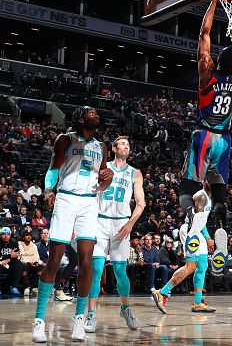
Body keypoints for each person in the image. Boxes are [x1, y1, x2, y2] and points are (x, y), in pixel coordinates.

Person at [32, 106, 113, 343]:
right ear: (80, 119)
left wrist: (107, 180)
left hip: (89, 202)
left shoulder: (102, 147)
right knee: (55, 259)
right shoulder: (65, 139)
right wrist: (49, 190)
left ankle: (80, 318)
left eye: (98, 113)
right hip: (66, 198)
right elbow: (53, 169)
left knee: (87, 261)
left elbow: (104, 181)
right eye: (91, 113)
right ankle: (39, 320)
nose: (96, 115)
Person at [178, 0, 232, 244]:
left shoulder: (207, 72)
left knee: (187, 188)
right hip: (225, 140)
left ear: (218, 61)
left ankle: (192, 217)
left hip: (204, 135)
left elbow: (204, 34)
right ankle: (220, 223)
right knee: (219, 188)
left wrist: (215, 0)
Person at [84, 136, 146, 333]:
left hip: (122, 224)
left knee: (121, 271)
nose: (126, 147)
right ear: (113, 148)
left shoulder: (135, 173)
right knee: (96, 269)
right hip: (101, 220)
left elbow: (141, 204)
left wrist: (130, 224)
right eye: (122, 144)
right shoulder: (103, 167)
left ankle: (126, 309)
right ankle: (91, 314)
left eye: (128, 144)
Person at [153, 185, 226, 313]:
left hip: (199, 232)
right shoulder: (201, 196)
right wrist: (208, 237)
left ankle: (197, 302)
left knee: (202, 266)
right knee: (190, 267)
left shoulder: (210, 198)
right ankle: (162, 292)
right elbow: (196, 221)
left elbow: (202, 221)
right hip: (191, 231)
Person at [0, 226, 21, 297]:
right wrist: (9, 256)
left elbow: (17, 255)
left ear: (10, 235)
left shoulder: (14, 243)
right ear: (0, 235)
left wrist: (8, 259)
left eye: (8, 234)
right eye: (3, 234)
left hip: (9, 262)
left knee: (18, 263)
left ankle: (14, 287)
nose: (5, 236)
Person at [19, 232, 44, 297]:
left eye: (30, 235)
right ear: (23, 237)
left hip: (32, 263)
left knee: (39, 268)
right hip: (23, 263)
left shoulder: (34, 246)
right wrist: (27, 262)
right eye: (27, 235)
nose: (29, 237)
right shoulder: (19, 245)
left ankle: (34, 288)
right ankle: (26, 287)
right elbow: (19, 256)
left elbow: (36, 256)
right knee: (24, 268)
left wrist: (35, 262)